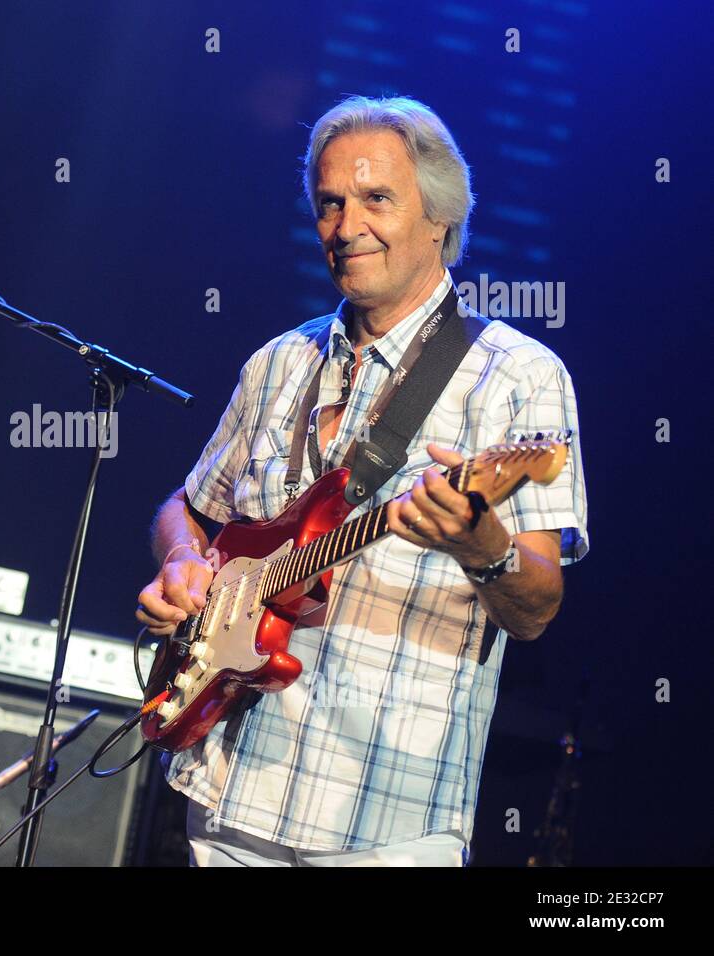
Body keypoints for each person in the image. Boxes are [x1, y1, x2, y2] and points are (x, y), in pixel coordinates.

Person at [136, 96, 588, 867]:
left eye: (376, 198)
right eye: (330, 204)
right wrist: (180, 559)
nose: (347, 227)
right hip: (230, 787)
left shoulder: (519, 378)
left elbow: (537, 606)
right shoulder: (279, 363)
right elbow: (185, 505)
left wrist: (481, 545)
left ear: (440, 218)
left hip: (388, 825)